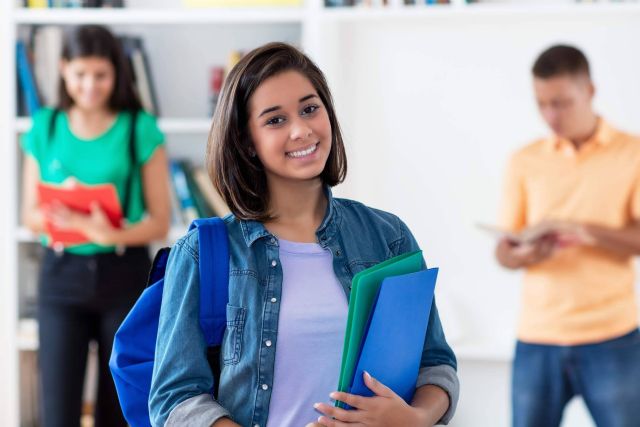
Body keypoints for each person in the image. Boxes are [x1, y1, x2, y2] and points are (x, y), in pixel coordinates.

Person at [149, 42, 459, 427]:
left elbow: (435, 366)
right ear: (247, 142)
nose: (301, 130)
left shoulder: (388, 237)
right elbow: (175, 398)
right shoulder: (203, 252)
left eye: (310, 109)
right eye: (275, 120)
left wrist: (415, 418)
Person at [20, 25, 171, 427]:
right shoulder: (46, 127)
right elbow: (29, 214)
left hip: (123, 277)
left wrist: (107, 233)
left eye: (101, 75)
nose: (90, 86)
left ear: (117, 73)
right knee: (58, 407)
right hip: (61, 277)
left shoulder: (139, 128)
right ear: (64, 69)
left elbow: (160, 221)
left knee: (117, 406)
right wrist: (63, 214)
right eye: (80, 74)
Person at [496, 44, 640, 427]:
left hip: (613, 334)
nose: (550, 115)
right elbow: (504, 253)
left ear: (590, 91)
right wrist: (525, 254)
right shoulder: (524, 160)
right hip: (537, 336)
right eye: (542, 103)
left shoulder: (633, 153)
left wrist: (585, 231)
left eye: (561, 103)